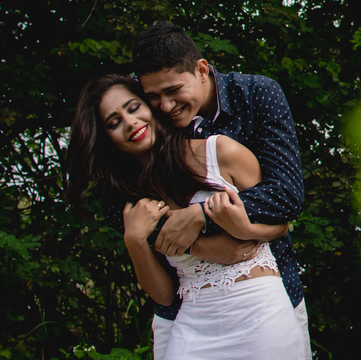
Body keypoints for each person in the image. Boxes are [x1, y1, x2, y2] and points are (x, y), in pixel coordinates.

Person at [67, 74, 307, 358]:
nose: (130, 122)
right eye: (114, 122)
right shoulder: (132, 204)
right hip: (191, 322)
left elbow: (281, 222)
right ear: (107, 140)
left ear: (151, 107)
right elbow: (165, 295)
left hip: (258, 312)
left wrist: (241, 230)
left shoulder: (219, 152)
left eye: (133, 108)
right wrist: (134, 240)